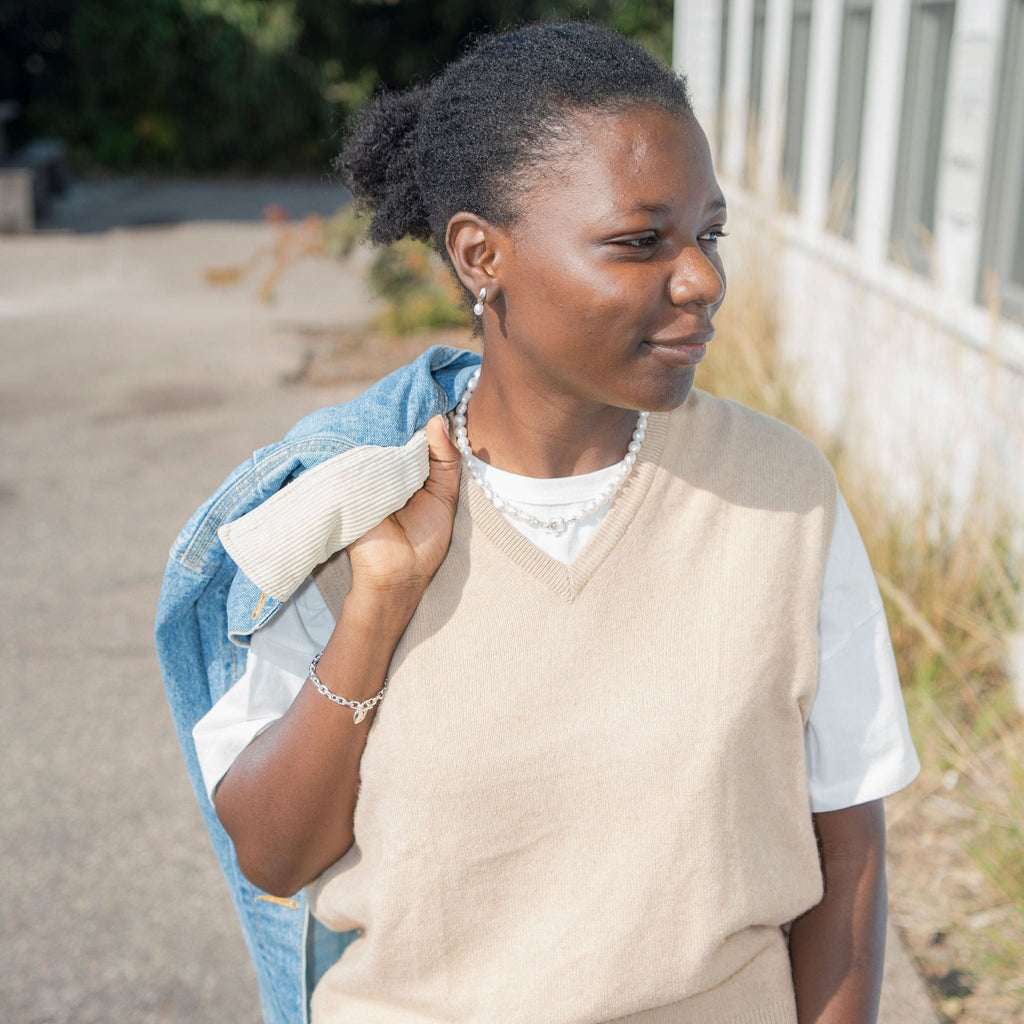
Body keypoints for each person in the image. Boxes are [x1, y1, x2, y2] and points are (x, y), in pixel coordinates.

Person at [188, 21, 919, 1024]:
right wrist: (376, 611)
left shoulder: (780, 493)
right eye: (637, 242)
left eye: (708, 235)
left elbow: (850, 840)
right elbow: (274, 853)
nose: (701, 278)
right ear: (481, 255)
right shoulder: (348, 504)